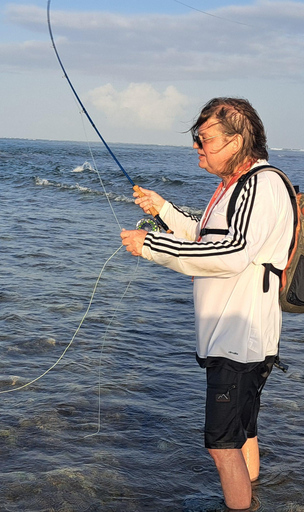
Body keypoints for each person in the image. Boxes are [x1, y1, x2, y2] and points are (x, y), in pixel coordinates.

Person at [120, 97, 292, 511]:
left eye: (205, 139)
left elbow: (231, 252)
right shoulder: (235, 186)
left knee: (220, 445)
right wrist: (161, 209)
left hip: (240, 340)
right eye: (197, 138)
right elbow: (204, 235)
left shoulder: (261, 184)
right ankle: (252, 496)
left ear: (237, 141)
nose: (198, 146)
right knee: (242, 432)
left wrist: (151, 246)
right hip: (235, 339)